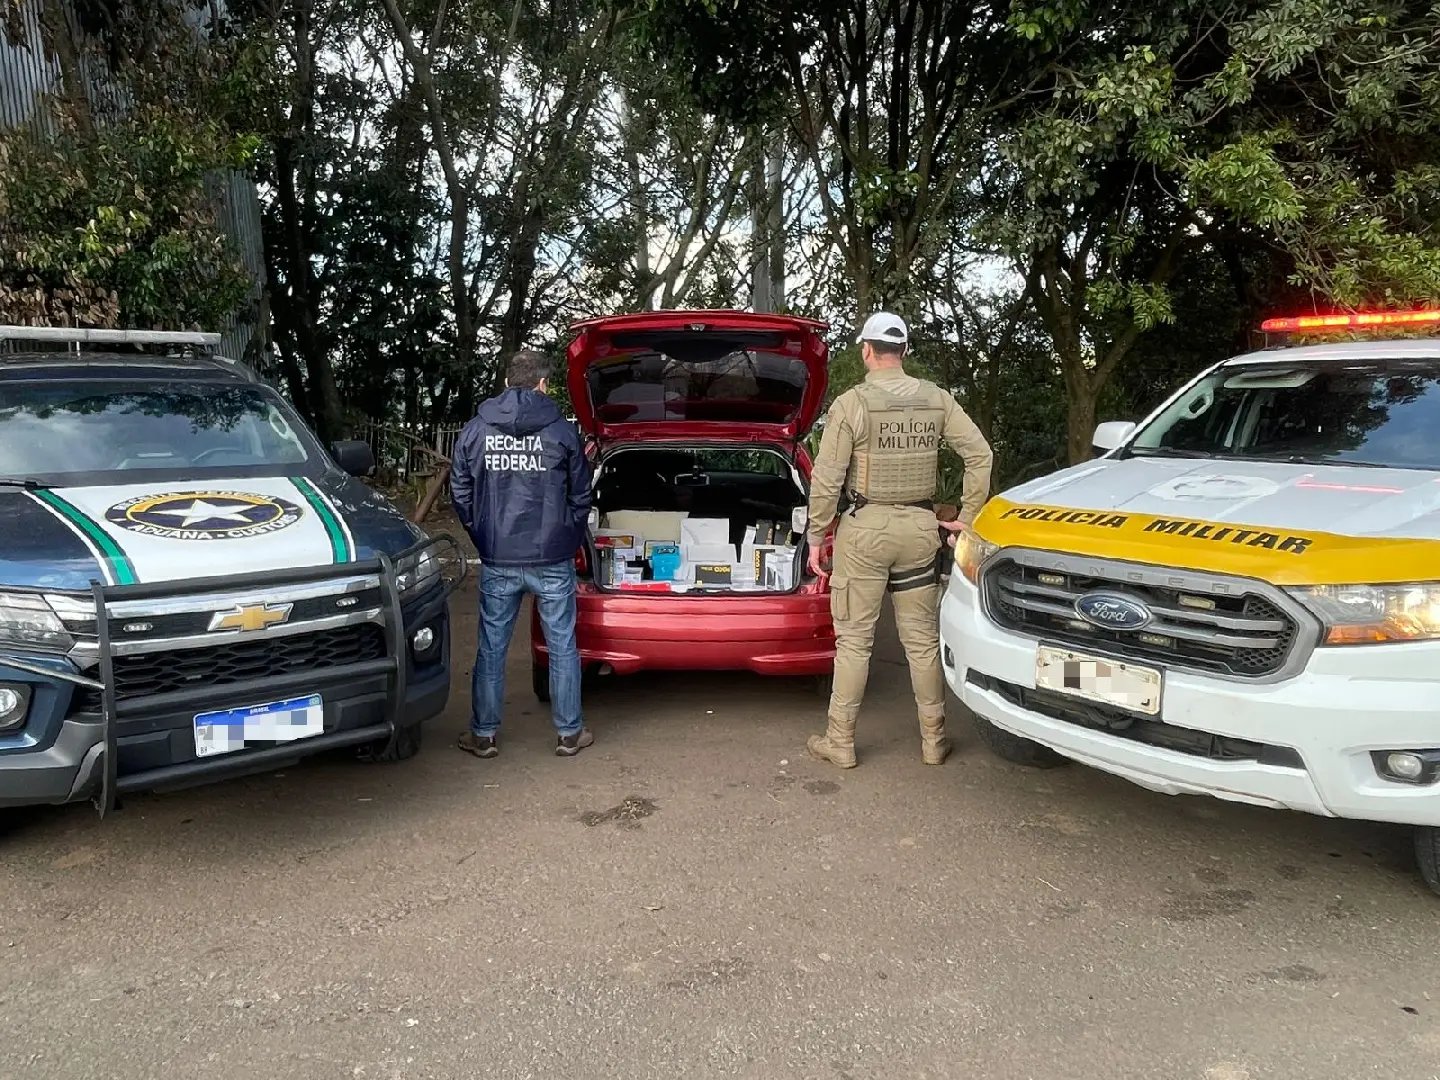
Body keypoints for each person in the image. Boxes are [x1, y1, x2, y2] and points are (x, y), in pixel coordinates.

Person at [804, 312, 993, 769]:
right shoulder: (937, 399)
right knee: (922, 642)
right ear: (904, 351)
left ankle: (840, 741)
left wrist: (816, 534)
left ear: (866, 350)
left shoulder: (852, 404)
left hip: (865, 532)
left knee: (854, 643)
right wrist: (967, 517)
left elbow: (827, 478)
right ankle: (934, 740)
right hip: (920, 531)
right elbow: (980, 454)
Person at [450, 349, 595, 758]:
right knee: (562, 645)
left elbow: (460, 492)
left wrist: (483, 535)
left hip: (498, 555)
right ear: (543, 383)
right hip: (552, 556)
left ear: (507, 381)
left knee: (491, 647)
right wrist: (566, 537)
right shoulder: (562, 432)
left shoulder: (476, 430)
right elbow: (581, 495)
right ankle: (569, 734)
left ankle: (484, 735)